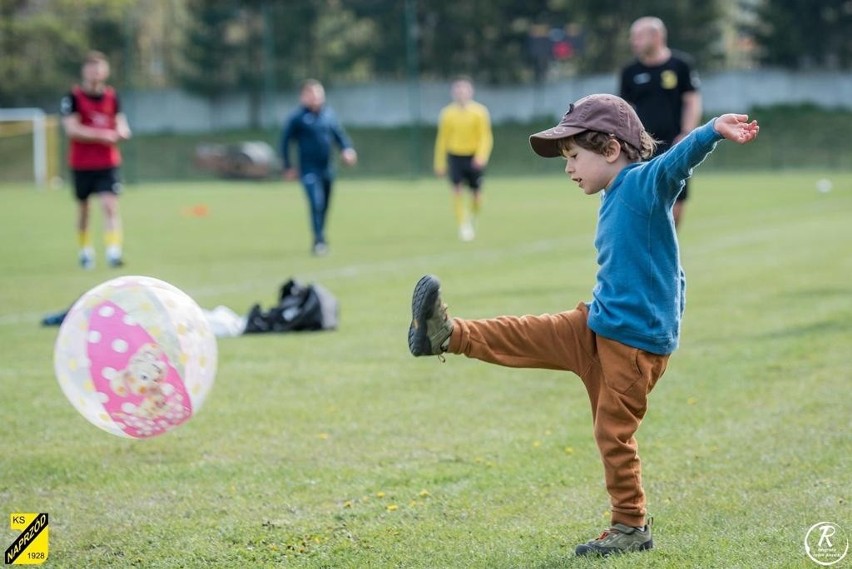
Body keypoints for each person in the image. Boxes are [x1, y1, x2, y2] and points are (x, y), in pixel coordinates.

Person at [408, 94, 758, 557]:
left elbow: (676, 162)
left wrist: (711, 130)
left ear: (611, 149)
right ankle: (445, 334)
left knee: (612, 433)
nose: (569, 168)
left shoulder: (642, 184)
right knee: (527, 332)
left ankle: (631, 527)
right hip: (597, 323)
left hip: (632, 347)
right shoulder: (616, 194)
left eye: (574, 156)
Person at [620, 16, 702, 229]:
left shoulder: (680, 65)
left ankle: (667, 248)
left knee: (676, 204)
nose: (633, 41)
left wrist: (686, 133)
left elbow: (692, 101)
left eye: (638, 36)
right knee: (642, 202)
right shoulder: (630, 72)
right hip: (641, 147)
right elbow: (624, 110)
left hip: (674, 145)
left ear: (657, 36)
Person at [60, 50, 132, 269]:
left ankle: (113, 252)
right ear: (84, 71)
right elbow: (71, 129)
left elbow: (120, 123)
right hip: (82, 163)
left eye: (99, 67)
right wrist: (102, 135)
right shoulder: (72, 98)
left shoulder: (112, 96)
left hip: (107, 162)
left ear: (106, 71)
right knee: (84, 209)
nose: (95, 72)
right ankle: (85, 251)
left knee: (110, 205)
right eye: (91, 67)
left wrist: (122, 131)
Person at [280, 79, 357, 256]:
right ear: (303, 96)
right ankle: (319, 241)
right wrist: (287, 166)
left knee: (325, 206)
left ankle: (321, 236)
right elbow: (285, 142)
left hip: (327, 169)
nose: (315, 97)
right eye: (311, 93)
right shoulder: (297, 118)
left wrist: (347, 150)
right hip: (308, 169)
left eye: (318, 93)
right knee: (316, 202)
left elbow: (339, 136)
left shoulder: (328, 115)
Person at [433, 76, 494, 242]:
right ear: (453, 92)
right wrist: (439, 163)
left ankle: (472, 218)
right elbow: (442, 139)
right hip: (455, 156)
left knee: (476, 196)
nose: (460, 93)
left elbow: (485, 137)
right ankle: (463, 225)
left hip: (473, 156)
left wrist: (481, 156)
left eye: (464, 89)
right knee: (457, 190)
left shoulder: (480, 112)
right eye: (457, 90)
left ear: (470, 91)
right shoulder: (447, 113)